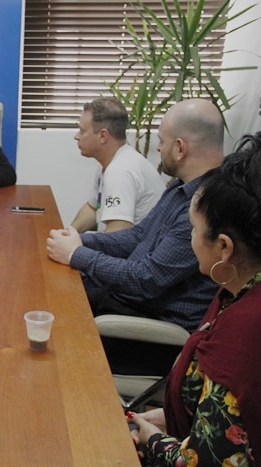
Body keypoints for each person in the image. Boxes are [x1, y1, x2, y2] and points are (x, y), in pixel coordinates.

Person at [46, 99, 222, 374]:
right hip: (132, 305)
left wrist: (76, 254)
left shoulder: (207, 205)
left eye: (161, 141)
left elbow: (146, 279)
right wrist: (80, 241)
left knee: (53, 330)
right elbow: (138, 236)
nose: (158, 149)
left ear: (180, 148)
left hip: (154, 334)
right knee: (52, 294)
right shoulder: (180, 188)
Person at [128, 132, 261, 465]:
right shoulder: (236, 289)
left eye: (193, 229)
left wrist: (152, 439)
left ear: (224, 246)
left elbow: (201, 461)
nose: (190, 238)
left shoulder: (243, 334)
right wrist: (170, 418)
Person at [71, 97, 164, 233]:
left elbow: (117, 234)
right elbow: (93, 208)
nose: (76, 136)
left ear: (103, 136)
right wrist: (69, 233)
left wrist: (75, 244)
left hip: (136, 246)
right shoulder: (110, 162)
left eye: (82, 131)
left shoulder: (120, 172)